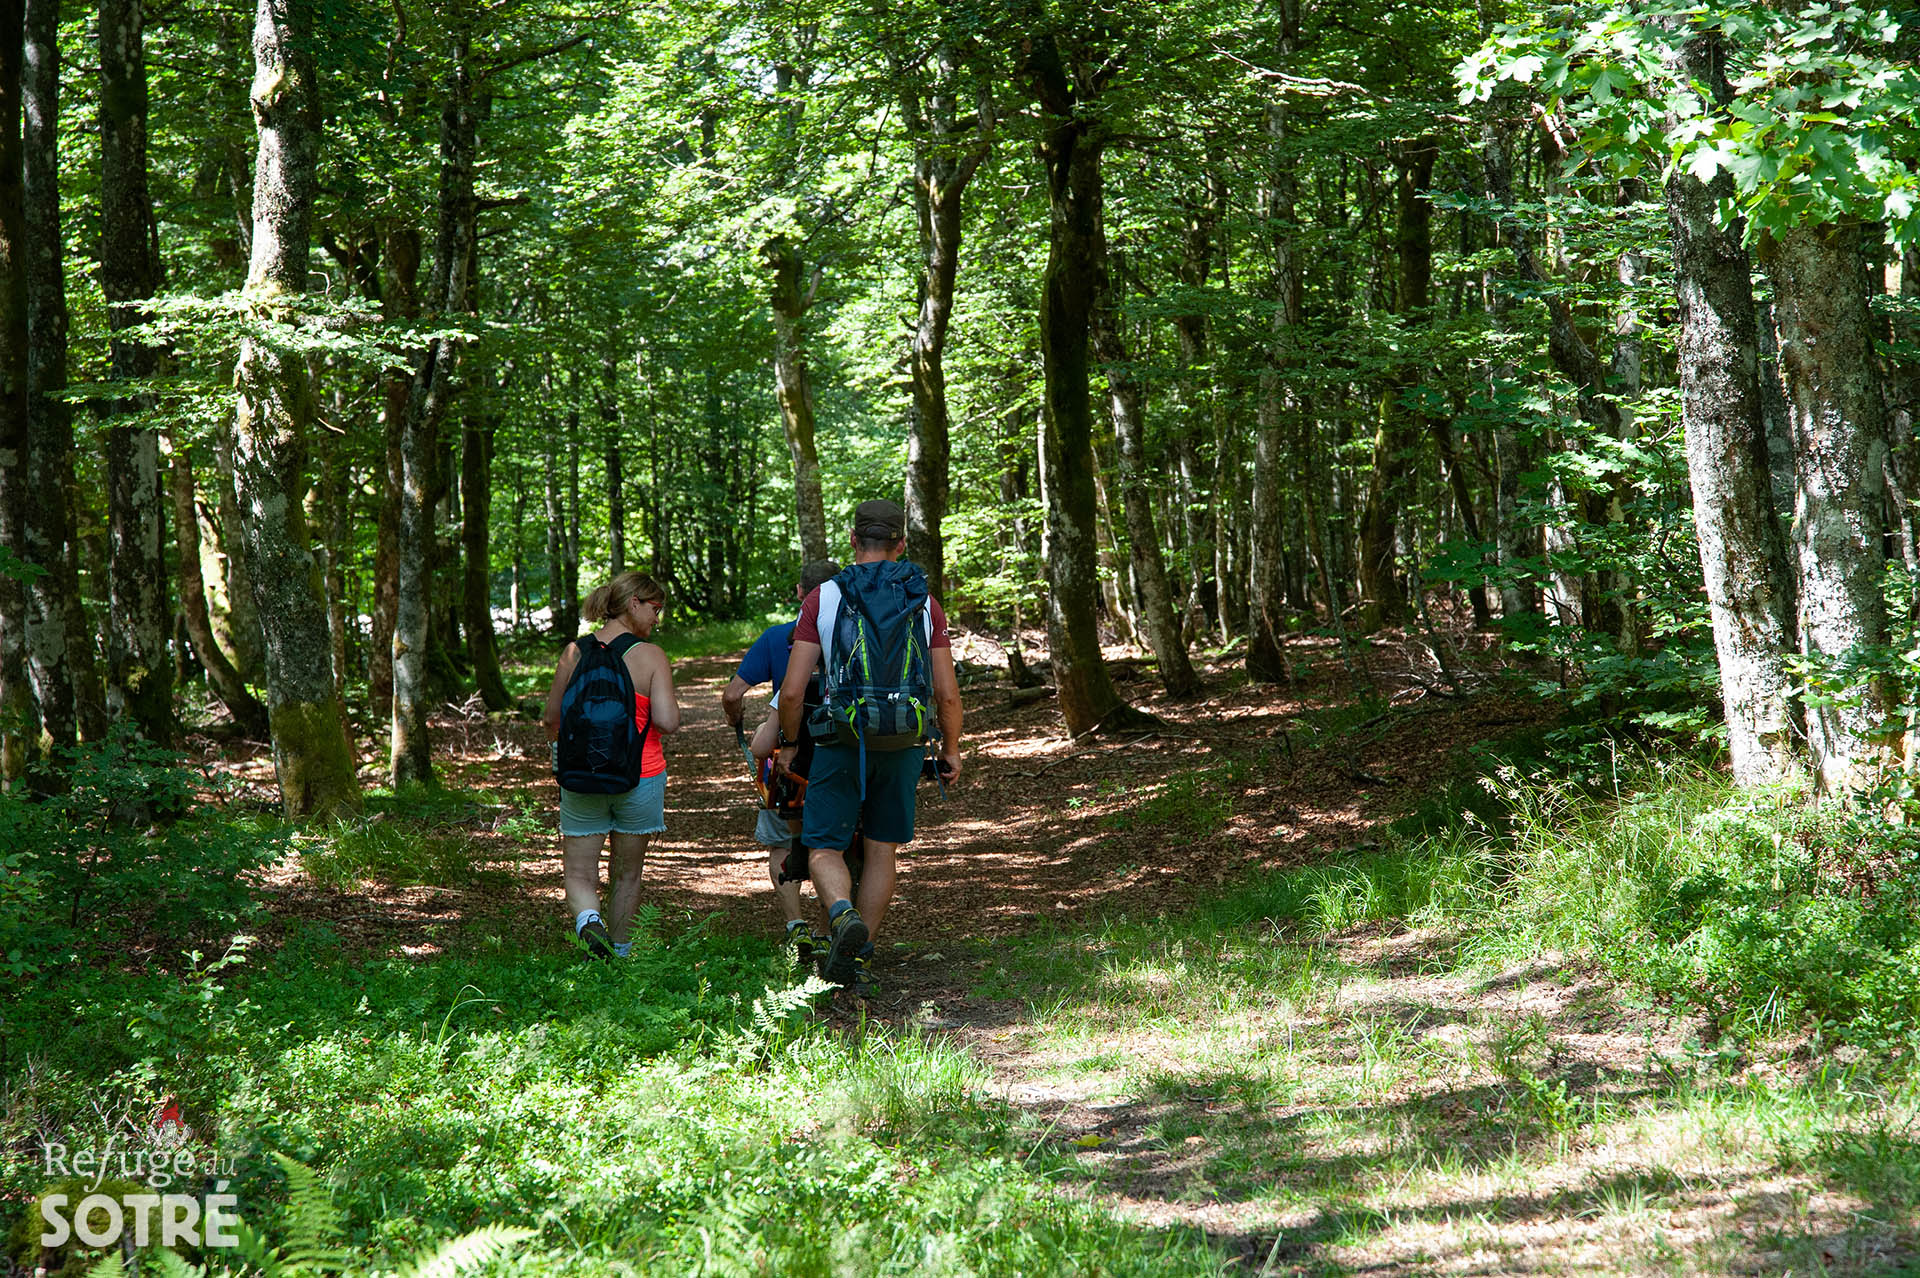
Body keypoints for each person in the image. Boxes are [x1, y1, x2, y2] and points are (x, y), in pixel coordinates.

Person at [777, 500, 963, 994]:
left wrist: (791, 744)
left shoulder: (824, 597)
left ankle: (840, 916)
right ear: (901, 544)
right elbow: (945, 691)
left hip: (842, 737)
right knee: (883, 849)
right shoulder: (924, 601)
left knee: (821, 845)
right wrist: (951, 749)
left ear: (854, 542)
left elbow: (793, 691)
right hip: (903, 739)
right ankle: (857, 959)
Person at [541, 571, 679, 959]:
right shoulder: (651, 656)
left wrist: (567, 755)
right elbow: (668, 722)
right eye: (655, 609)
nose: (657, 618)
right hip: (641, 775)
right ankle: (619, 953)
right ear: (634, 603)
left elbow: (552, 718)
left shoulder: (574, 653)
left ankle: (588, 922)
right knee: (627, 872)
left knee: (580, 871)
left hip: (580, 778)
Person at [723, 560, 841, 954]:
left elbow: (733, 694)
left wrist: (739, 725)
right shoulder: (852, 640)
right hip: (842, 759)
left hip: (791, 767)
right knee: (840, 843)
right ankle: (833, 924)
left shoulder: (780, 638)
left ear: (798, 592)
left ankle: (795, 924)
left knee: (781, 844)